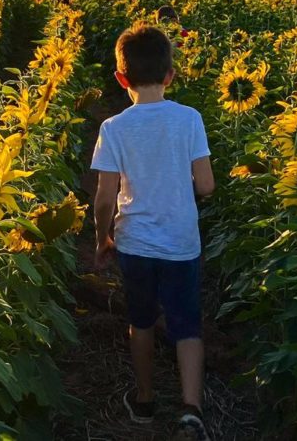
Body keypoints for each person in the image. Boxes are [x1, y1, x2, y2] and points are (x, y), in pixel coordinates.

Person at [91, 24, 215, 441]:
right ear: (170, 75)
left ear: (121, 79)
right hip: (181, 241)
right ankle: (190, 411)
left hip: (135, 243)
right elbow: (206, 185)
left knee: (141, 322)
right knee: (186, 325)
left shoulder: (113, 128)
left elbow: (105, 196)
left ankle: (144, 400)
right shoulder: (189, 119)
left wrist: (101, 238)